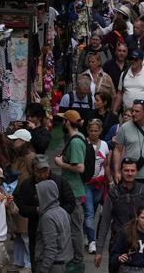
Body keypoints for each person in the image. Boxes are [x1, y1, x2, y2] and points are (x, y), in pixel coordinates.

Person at [94, 157, 144, 270]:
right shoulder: (113, 194)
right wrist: (99, 251)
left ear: (136, 172)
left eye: (132, 170)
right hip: (118, 244)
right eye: (126, 170)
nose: (129, 173)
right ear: (121, 171)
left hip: (141, 245)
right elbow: (104, 222)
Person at [15, 155, 76, 269]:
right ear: (33, 170)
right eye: (39, 171)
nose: (43, 175)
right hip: (35, 227)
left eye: (45, 171)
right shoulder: (27, 184)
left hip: (58, 228)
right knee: (37, 256)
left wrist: (56, 212)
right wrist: (36, 210)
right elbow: (22, 207)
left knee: (53, 254)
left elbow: (71, 203)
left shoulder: (60, 181)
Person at [54, 110, 87, 268]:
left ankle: (78, 259)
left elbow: (80, 167)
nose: (62, 123)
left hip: (74, 191)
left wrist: (61, 164)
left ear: (68, 122)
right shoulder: (76, 139)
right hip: (71, 189)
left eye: (63, 120)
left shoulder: (75, 142)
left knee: (75, 227)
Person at [8, 128, 36, 271]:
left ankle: (29, 263)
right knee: (18, 233)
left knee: (25, 234)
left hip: (27, 201)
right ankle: (19, 261)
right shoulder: (18, 157)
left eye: (16, 140)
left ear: (23, 142)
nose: (14, 143)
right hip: (17, 199)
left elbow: (36, 178)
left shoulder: (31, 158)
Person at [35, 180, 74, 273]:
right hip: (63, 262)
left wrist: (43, 269)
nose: (36, 197)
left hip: (53, 266)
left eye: (38, 194)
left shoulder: (47, 218)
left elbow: (51, 248)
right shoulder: (63, 212)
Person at [84, 119, 110, 255]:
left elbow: (106, 164)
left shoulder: (105, 145)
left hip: (100, 183)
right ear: (88, 131)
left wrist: (109, 181)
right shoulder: (84, 143)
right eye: (91, 131)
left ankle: (86, 232)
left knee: (93, 211)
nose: (93, 133)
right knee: (89, 212)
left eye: (96, 131)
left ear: (100, 131)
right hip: (87, 184)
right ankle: (92, 241)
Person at [110, 207, 144, 273]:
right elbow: (114, 253)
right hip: (127, 268)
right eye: (143, 218)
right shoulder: (126, 232)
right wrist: (119, 257)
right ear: (137, 217)